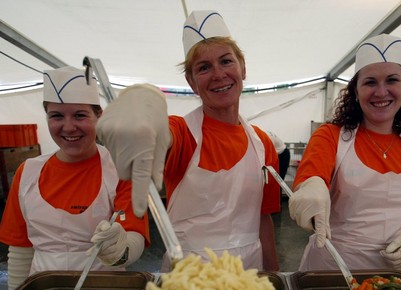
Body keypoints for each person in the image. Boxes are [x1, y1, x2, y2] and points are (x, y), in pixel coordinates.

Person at [97, 10, 281, 271]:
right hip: (188, 282)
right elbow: (160, 137)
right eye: (203, 68)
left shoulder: (262, 144)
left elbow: (264, 218)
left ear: (243, 67)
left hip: (250, 278)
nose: (218, 74)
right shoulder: (181, 131)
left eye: (226, 61)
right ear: (192, 82)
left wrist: (275, 279)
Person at [289, 34, 401, 277]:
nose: (381, 92)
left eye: (392, 80)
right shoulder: (331, 137)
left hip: (397, 278)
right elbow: (312, 176)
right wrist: (311, 187)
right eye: (370, 82)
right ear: (356, 91)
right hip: (332, 271)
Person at [0, 66, 148, 290]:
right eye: (56, 116)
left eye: (80, 115)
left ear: (99, 116)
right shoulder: (27, 172)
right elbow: (20, 249)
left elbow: (134, 238)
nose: (68, 127)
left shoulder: (121, 170)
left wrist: (119, 249)